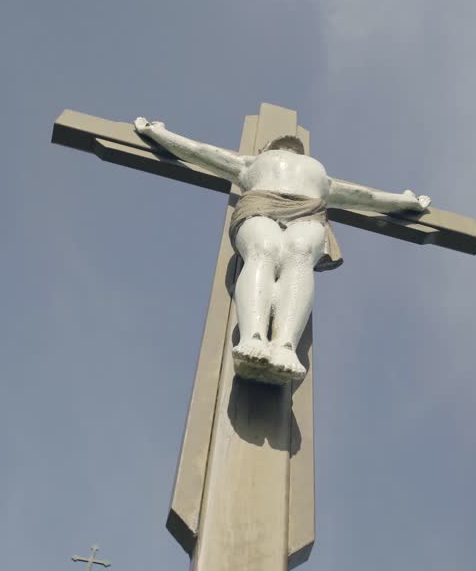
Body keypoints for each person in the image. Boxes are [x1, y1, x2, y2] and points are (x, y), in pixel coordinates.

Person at [134, 117, 430, 384]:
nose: (288, 142)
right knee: (263, 250)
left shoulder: (320, 175)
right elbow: (200, 152)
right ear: (265, 150)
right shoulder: (251, 163)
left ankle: (285, 345)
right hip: (261, 201)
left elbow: (364, 197)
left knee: (299, 256)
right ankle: (253, 337)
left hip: (308, 210)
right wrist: (160, 134)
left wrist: (402, 202)